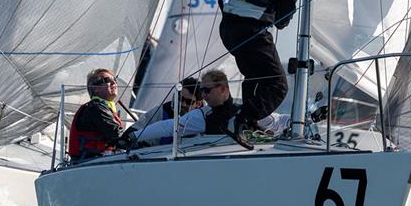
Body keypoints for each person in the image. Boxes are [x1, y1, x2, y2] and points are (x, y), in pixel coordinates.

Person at [219, 0, 298, 136]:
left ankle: (247, 125)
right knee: (277, 86)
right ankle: (242, 120)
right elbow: (285, 16)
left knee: (254, 77)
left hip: (228, 30)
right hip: (252, 33)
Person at [121, 69, 289, 146]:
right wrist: (134, 136)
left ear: (223, 88)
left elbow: (280, 121)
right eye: (202, 91)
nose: (204, 95)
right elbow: (169, 127)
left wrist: (303, 122)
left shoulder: (246, 110)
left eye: (207, 90)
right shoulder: (202, 116)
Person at [126, 77, 202, 146]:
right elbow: (139, 126)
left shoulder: (205, 118)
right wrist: (127, 137)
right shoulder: (162, 111)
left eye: (189, 101)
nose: (183, 104)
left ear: (198, 104)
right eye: (180, 98)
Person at [68, 68, 123, 161]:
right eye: (107, 80)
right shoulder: (95, 107)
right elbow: (116, 134)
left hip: (98, 161)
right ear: (96, 89)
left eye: (114, 80)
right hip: (88, 162)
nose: (114, 83)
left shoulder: (102, 107)